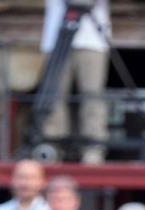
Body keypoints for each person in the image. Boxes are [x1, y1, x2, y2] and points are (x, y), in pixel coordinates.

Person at [40, 0, 110, 164]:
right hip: (56, 37)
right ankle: (53, 148)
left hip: (93, 39)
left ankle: (93, 149)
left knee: (92, 96)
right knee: (54, 95)